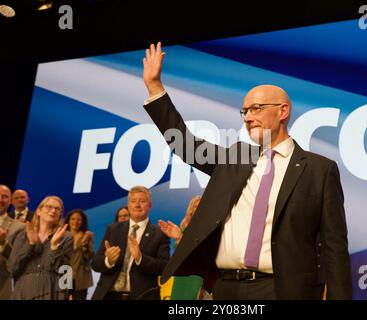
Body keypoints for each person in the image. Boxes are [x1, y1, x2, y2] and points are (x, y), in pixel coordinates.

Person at [141, 42, 352, 299]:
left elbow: (334, 247)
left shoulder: (319, 170)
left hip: (283, 290)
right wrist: (154, 87)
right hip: (226, 288)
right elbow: (185, 145)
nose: (248, 117)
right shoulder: (236, 158)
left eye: (256, 109)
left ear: (283, 111)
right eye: (245, 111)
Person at [91, 186, 170, 300]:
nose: (137, 205)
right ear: (128, 205)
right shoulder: (113, 229)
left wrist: (140, 258)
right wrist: (108, 261)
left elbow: (164, 267)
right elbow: (95, 263)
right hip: (108, 295)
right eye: (133, 201)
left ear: (150, 206)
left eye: (142, 201)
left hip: (142, 296)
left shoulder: (160, 233)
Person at [7, 196, 73, 300]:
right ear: (38, 211)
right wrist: (30, 245)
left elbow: (66, 270)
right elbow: (12, 268)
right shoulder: (23, 235)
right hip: (24, 291)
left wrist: (55, 247)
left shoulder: (66, 237)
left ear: (60, 214)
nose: (53, 210)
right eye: (49, 207)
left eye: (57, 209)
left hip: (52, 291)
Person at [158, 196, 205, 300]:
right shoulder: (183, 229)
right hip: (182, 278)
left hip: (198, 277)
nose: (197, 209)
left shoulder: (209, 229)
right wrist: (179, 237)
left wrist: (180, 237)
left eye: (201, 206)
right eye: (195, 206)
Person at [0, 185, 24, 299]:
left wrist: (3, 242)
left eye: (4, 197)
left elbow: (18, 260)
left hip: (2, 284)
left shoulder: (19, 227)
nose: (0, 199)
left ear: (10, 201)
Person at [65, 209, 94, 300]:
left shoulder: (87, 235)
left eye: (78, 219)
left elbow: (89, 257)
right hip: (64, 275)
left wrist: (84, 245)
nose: (75, 222)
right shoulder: (62, 235)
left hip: (81, 277)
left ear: (82, 222)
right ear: (68, 221)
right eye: (73, 219)